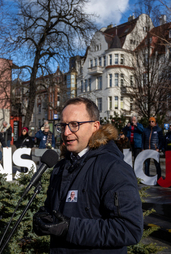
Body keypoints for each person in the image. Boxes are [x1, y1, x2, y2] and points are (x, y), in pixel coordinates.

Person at [33, 97, 143, 253]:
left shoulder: (113, 168)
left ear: (95, 126)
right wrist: (44, 219)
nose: (66, 132)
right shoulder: (60, 167)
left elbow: (129, 228)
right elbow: (55, 212)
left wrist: (70, 229)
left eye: (74, 125)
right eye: (63, 125)